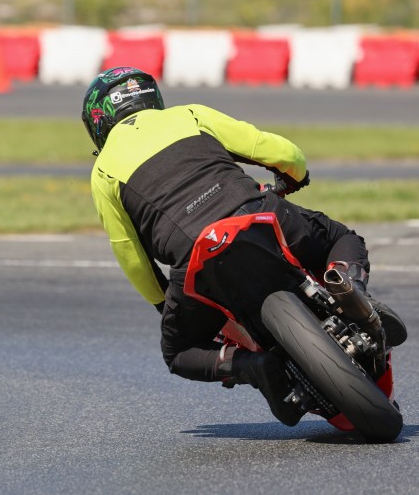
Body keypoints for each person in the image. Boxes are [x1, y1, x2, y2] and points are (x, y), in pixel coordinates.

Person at [83, 66, 407, 426]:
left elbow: (130, 254)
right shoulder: (189, 115)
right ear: (150, 97)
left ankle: (254, 367)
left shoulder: (103, 173)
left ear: (99, 121)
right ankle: (350, 288)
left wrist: (164, 303)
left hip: (195, 260)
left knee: (179, 353)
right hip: (258, 215)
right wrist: (294, 176)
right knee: (340, 238)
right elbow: (273, 148)